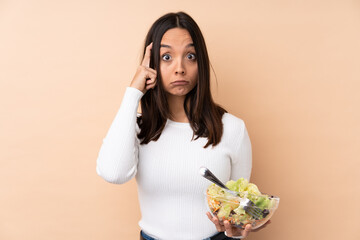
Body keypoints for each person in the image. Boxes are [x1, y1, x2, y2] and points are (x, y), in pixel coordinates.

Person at [96, 12, 268, 240]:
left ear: (201, 63)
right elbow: (113, 173)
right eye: (166, 57)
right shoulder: (137, 129)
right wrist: (133, 94)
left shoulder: (232, 129)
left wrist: (239, 228)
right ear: (151, 64)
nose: (180, 68)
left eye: (190, 56)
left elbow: (237, 213)